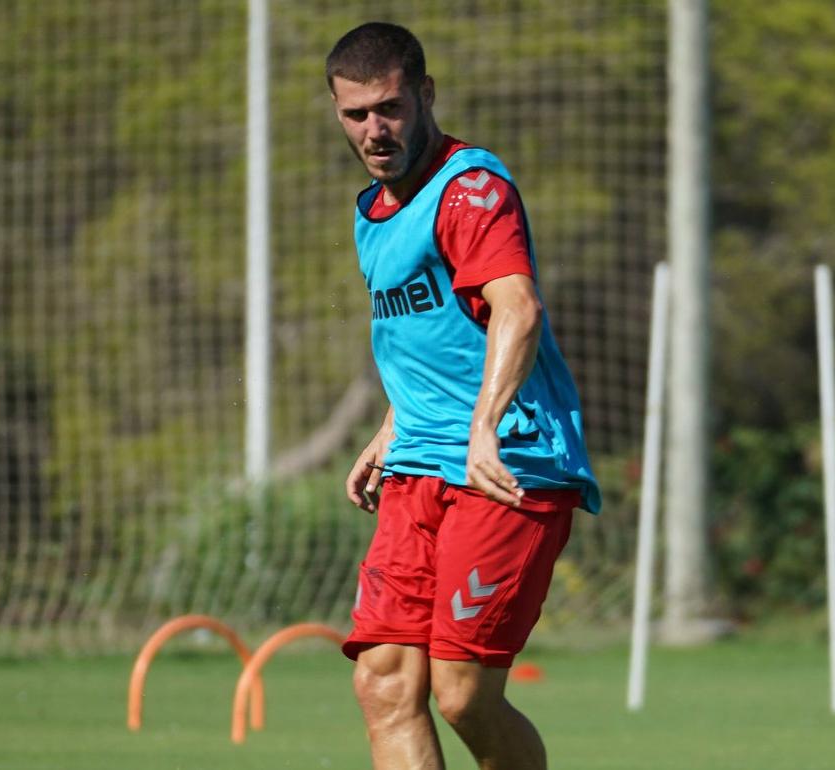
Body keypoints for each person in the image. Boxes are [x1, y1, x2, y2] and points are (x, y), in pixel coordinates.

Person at [326, 22, 601, 770]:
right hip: (419, 464)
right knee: (382, 682)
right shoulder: (371, 212)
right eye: (356, 114)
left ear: (425, 94)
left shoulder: (471, 189)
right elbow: (433, 336)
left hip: (507, 465)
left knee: (462, 692)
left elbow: (517, 310)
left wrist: (484, 428)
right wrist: (392, 424)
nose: (374, 130)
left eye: (389, 108)